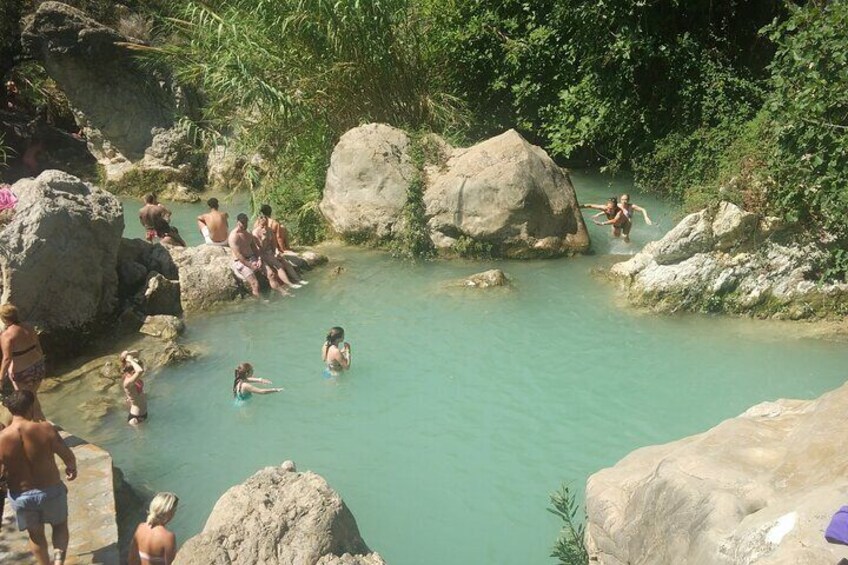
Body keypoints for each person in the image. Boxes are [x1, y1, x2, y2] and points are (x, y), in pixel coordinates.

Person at [0, 390, 77, 565]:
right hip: (51, 491)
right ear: (31, 407)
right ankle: (58, 561)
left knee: (35, 536)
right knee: (59, 526)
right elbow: (67, 454)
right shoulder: (45, 428)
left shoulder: (2, 438)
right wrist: (71, 467)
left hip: (21, 496)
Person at [0, 303, 47, 421]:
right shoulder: (29, 327)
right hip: (38, 366)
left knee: (25, 401)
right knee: (33, 396)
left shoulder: (7, 336)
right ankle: (40, 421)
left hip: (22, 372)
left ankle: (39, 424)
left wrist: (0, 378)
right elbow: (38, 347)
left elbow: (7, 359)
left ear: (4, 319)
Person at [253, 215, 300, 296]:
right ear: (259, 222)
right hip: (262, 254)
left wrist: (276, 251)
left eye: (265, 223)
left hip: (270, 252)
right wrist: (263, 239)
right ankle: (289, 284)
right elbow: (258, 250)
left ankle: (298, 280)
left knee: (286, 263)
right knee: (279, 266)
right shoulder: (255, 233)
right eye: (262, 224)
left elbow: (274, 244)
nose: (264, 226)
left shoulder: (270, 230)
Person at [259, 204, 308, 282]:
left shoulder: (258, 223)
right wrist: (283, 249)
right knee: (283, 228)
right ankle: (297, 279)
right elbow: (279, 238)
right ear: (270, 212)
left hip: (263, 248)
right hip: (273, 247)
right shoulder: (274, 223)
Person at [128, 492, 179, 565]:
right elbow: (170, 563)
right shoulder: (168, 537)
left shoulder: (141, 527)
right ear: (169, 513)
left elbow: (131, 559)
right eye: (174, 510)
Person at [228, 213, 263, 298]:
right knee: (255, 283)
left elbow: (254, 247)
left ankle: (282, 291)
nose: (245, 225)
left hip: (252, 258)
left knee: (271, 273)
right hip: (241, 262)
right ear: (237, 222)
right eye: (243, 223)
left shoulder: (248, 232)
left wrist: (259, 259)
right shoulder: (233, 236)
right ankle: (261, 303)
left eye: (246, 222)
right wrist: (251, 266)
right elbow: (239, 255)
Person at [121, 351, 148, 426]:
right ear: (133, 371)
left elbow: (137, 353)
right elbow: (140, 371)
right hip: (136, 418)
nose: (143, 369)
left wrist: (128, 354)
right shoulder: (128, 383)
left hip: (143, 412)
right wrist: (130, 360)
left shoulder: (131, 374)